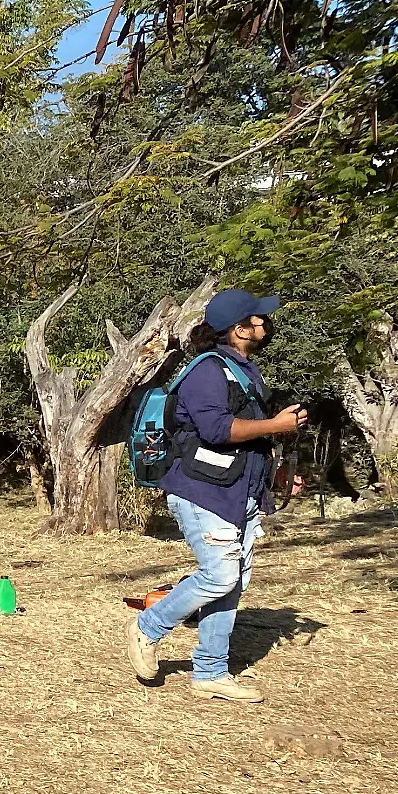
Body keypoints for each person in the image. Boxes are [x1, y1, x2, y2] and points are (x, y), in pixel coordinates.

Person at [125, 288, 306, 703]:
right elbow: (217, 431)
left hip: (236, 491)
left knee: (232, 582)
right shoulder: (209, 370)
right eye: (259, 319)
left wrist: (276, 474)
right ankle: (147, 628)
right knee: (221, 575)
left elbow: (245, 441)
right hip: (203, 491)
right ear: (240, 329)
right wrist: (276, 425)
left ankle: (210, 672)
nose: (266, 324)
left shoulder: (244, 368)